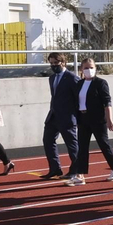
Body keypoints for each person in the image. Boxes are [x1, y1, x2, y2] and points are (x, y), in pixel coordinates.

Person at [67, 57, 113, 186]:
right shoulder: (79, 84)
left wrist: (109, 120)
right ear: (81, 69)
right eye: (86, 68)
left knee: (103, 144)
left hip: (98, 119)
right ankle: (80, 175)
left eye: (91, 67)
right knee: (82, 147)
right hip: (83, 118)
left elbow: (107, 102)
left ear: (95, 68)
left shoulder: (101, 83)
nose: (89, 70)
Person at [41, 51, 80, 180]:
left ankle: (75, 170)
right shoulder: (51, 78)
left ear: (63, 62)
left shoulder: (72, 78)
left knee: (72, 144)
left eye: (56, 63)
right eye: (51, 63)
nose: (53, 65)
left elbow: (78, 98)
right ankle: (54, 168)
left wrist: (76, 116)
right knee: (48, 140)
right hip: (53, 115)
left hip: (67, 117)